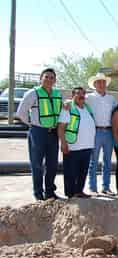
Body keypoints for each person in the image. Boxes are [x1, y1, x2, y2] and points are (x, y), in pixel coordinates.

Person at [17, 68, 63, 201]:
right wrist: (31, 124)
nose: (49, 79)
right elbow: (21, 112)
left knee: (52, 164)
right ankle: (38, 193)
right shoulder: (33, 93)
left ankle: (50, 192)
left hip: (53, 133)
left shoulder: (57, 94)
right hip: (38, 132)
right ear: (41, 78)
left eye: (51, 77)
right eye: (46, 77)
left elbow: (60, 111)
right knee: (37, 164)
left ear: (55, 80)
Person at [58, 87, 95, 199]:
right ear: (72, 95)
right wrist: (63, 143)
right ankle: (70, 194)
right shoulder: (68, 108)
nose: (81, 96)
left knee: (82, 172)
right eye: (78, 93)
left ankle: (79, 191)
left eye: (83, 94)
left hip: (87, 146)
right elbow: (61, 127)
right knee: (70, 172)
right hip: (73, 146)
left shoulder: (87, 108)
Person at [86, 73, 117, 195]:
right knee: (93, 161)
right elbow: (74, 101)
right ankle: (92, 187)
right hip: (95, 131)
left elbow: (116, 113)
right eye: (98, 82)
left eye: (103, 82)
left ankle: (106, 187)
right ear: (94, 84)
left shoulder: (111, 99)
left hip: (109, 132)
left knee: (107, 161)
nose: (101, 84)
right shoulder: (89, 98)